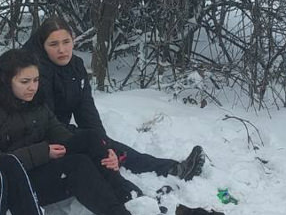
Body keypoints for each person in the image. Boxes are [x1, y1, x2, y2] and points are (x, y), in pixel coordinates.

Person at [0, 49, 167, 215]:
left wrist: (103, 152)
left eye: (36, 80)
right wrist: (42, 152)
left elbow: (64, 136)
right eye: (25, 82)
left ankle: (132, 198)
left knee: (89, 138)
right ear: (5, 80)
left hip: (39, 167)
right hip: (15, 186)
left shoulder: (36, 104)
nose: (32, 87)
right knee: (77, 165)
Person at [26, 17, 205, 180]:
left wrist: (102, 141)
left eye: (66, 42)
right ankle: (169, 171)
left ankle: (171, 169)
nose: (62, 49)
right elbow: (44, 121)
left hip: (63, 131)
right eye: (53, 44)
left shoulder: (76, 66)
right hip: (42, 141)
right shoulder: (35, 73)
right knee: (107, 150)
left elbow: (86, 111)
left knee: (112, 148)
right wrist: (97, 145)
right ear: (43, 46)